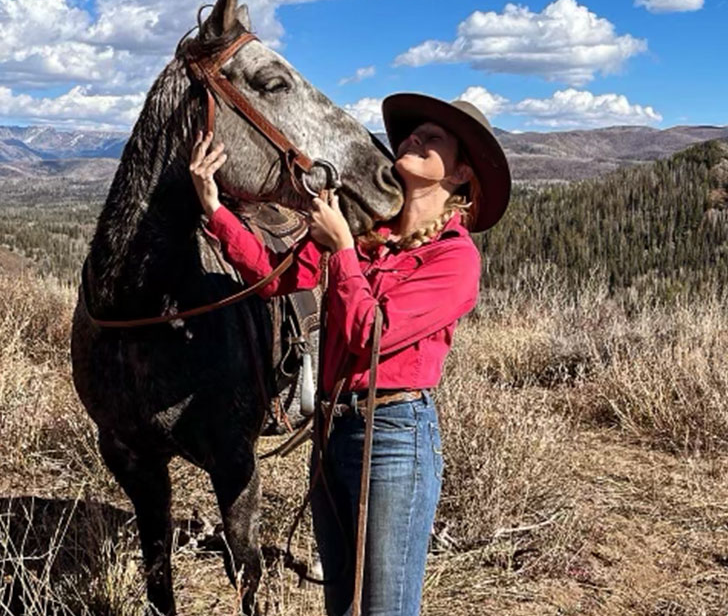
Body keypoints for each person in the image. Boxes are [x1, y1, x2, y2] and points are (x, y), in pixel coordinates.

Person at [191, 93, 511, 616]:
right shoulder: (368, 238)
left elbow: (373, 335)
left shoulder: (454, 259)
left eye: (433, 140)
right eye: (411, 134)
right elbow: (279, 279)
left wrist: (340, 250)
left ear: (460, 176)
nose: (413, 140)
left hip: (393, 435)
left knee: (384, 607)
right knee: (340, 605)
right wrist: (215, 209)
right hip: (331, 430)